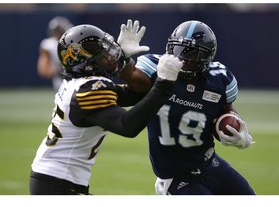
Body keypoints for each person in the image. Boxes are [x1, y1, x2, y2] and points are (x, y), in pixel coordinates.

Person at [29, 21, 183, 195]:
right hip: (57, 182)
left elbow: (134, 94)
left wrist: (126, 62)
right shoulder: (88, 90)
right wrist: (163, 84)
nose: (111, 56)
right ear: (83, 60)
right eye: (104, 54)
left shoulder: (79, 83)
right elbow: (128, 126)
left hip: (56, 179)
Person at [117, 20, 256, 195]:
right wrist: (123, 57)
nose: (181, 58)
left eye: (190, 53)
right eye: (177, 49)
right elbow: (132, 77)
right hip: (175, 176)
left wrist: (238, 132)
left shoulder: (220, 79)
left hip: (210, 164)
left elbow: (224, 113)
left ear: (206, 57)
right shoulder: (158, 68)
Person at [37, 16, 73, 91]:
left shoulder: (73, 42)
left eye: (60, 31)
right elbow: (43, 70)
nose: (58, 33)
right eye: (56, 31)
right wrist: (55, 71)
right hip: (60, 80)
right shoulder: (48, 44)